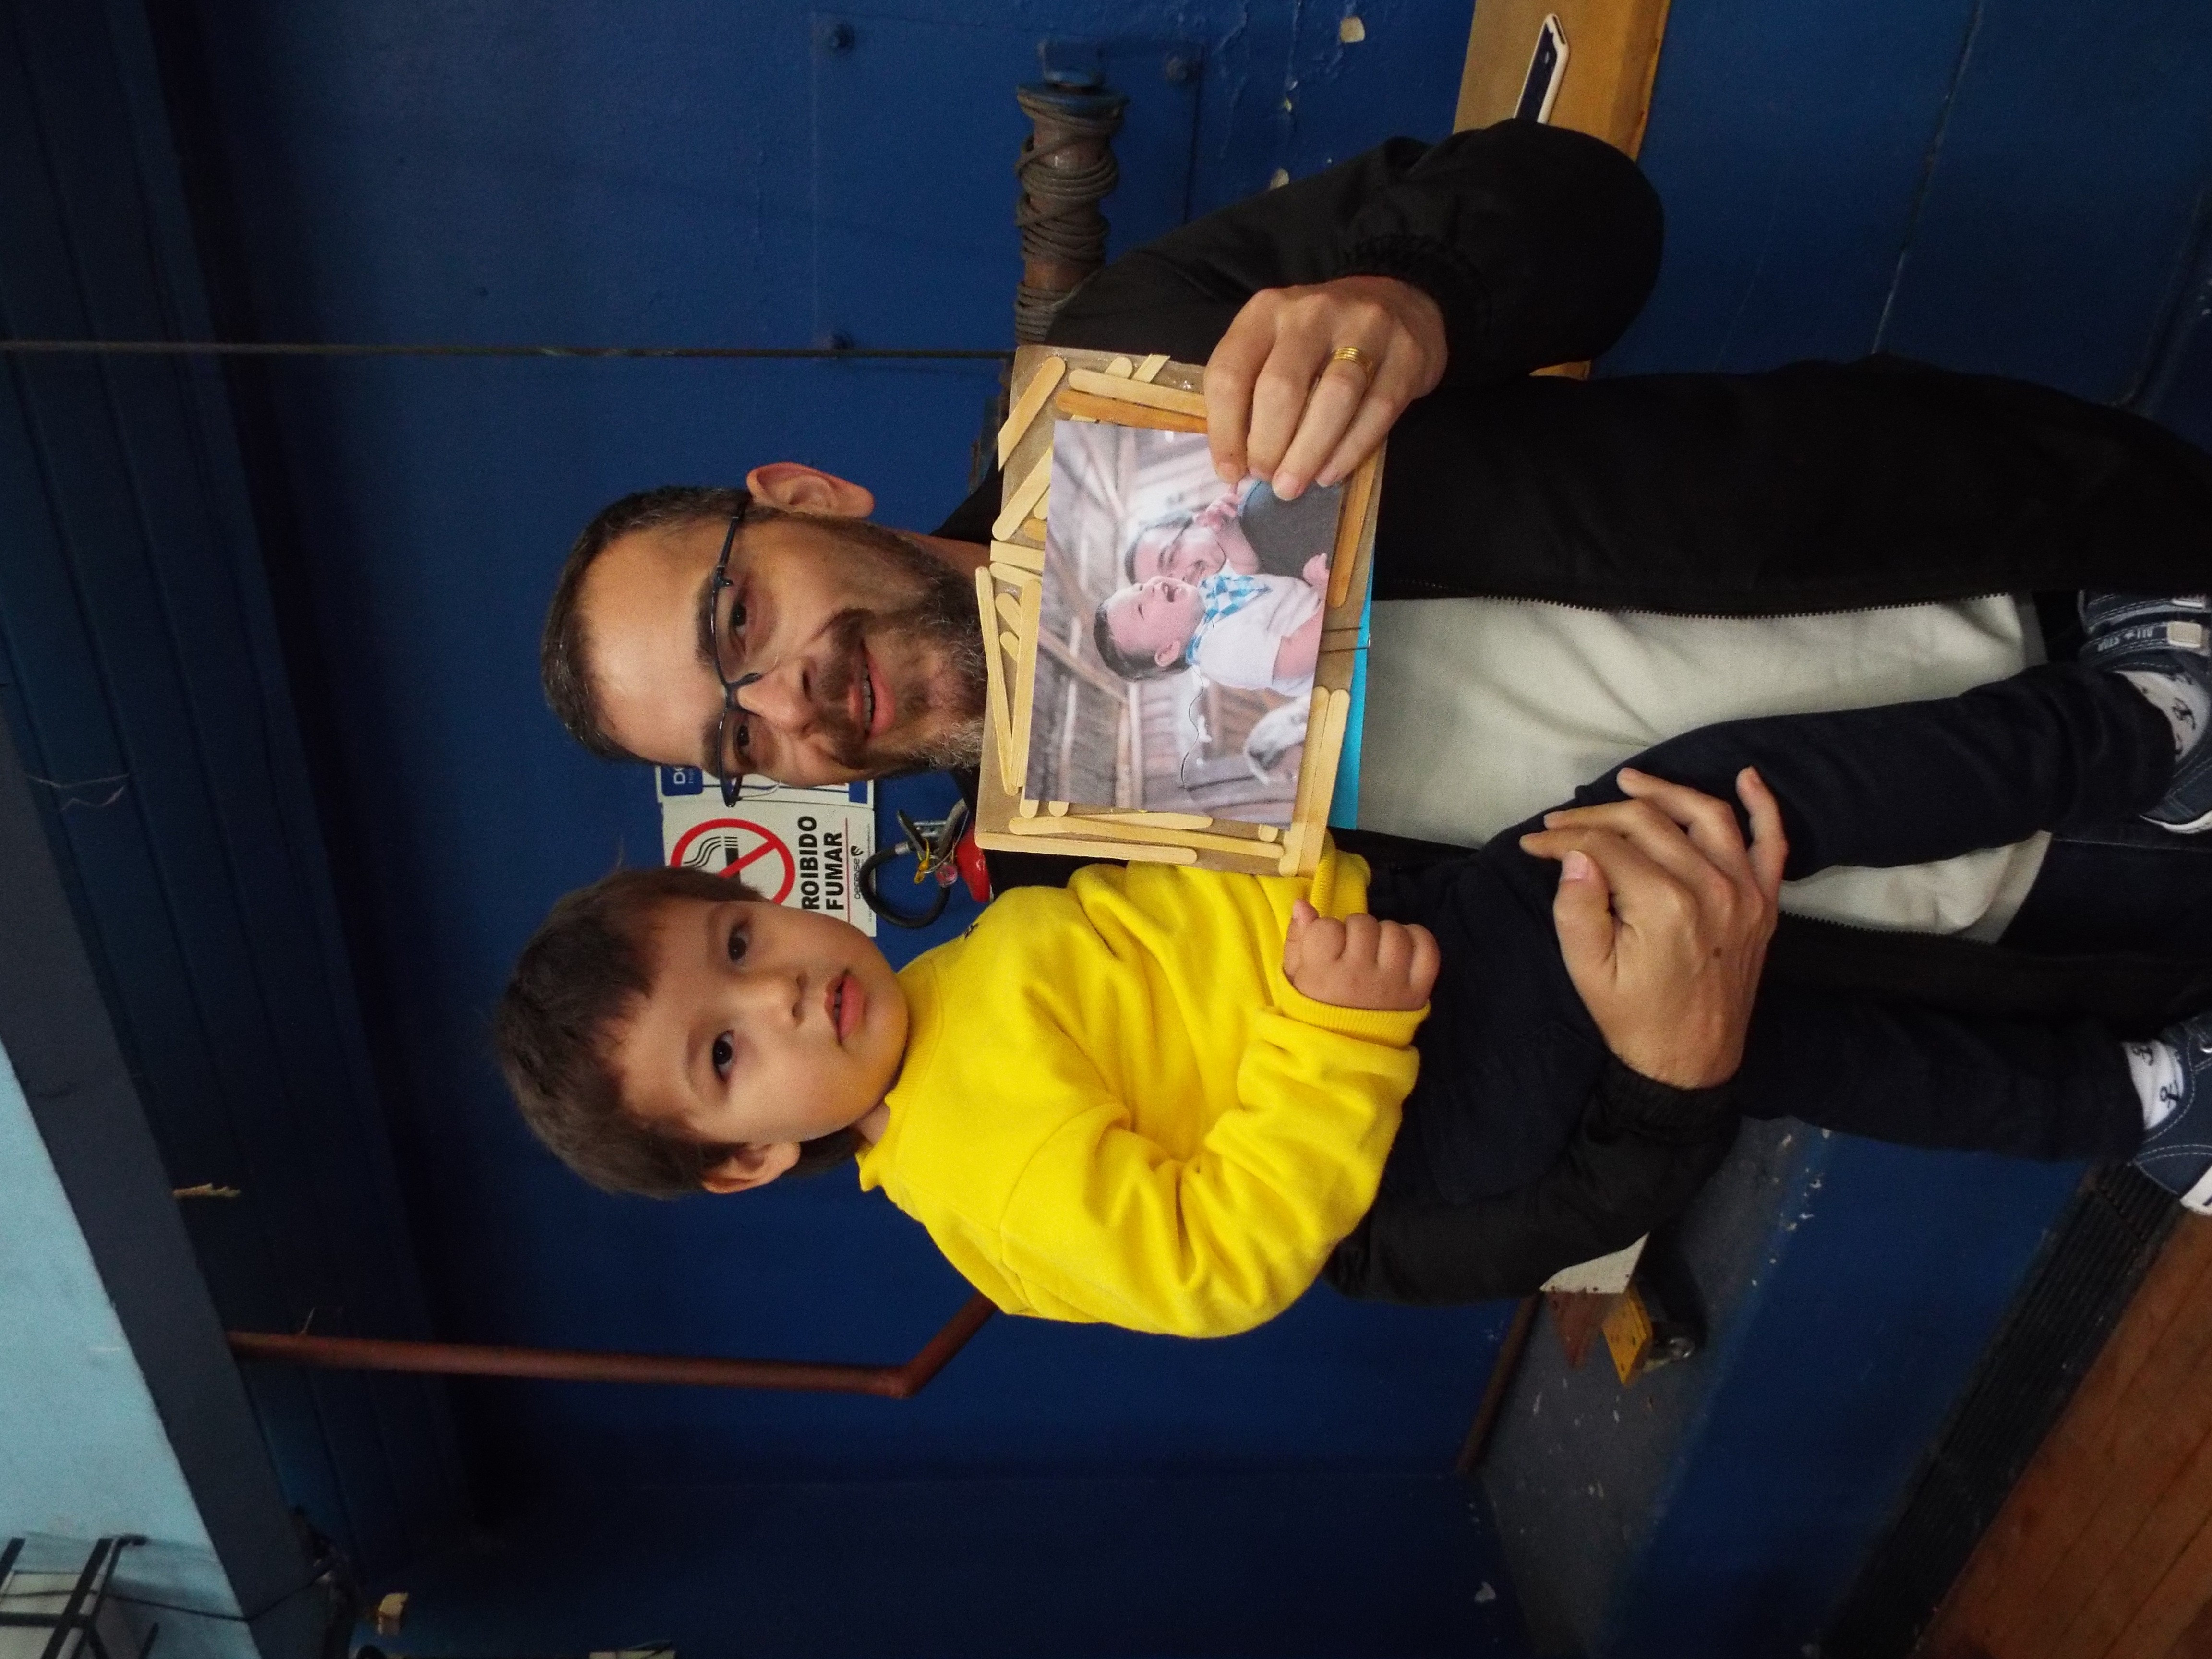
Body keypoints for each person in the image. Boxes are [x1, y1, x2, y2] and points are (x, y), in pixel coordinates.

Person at [540, 117, 2212, 1101]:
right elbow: (1404, 1147)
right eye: (738, 739)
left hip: (2030, 561)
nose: (788, 700)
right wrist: (1659, 1072)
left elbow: (1586, 207)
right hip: (1989, 927)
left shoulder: (1127, 359)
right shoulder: (1071, 910)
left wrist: (1415, 297)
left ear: (808, 497)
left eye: (735, 623)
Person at [493, 599, 2212, 1333]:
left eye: (738, 942)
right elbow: (1219, 1266)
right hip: (1420, 1089)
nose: (779, 994)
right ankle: (2135, 731)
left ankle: (2135, 1100)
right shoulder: (972, 1170)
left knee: (1762, 1023)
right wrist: (1332, 1032)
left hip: (1413, 988)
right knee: (1682, 821)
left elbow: (1193, 950)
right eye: (727, 1055)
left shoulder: (962, 976)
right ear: (749, 1161)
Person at [1093, 570, 1323, 694]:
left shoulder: (1210, 596)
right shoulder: (1219, 652)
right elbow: (1296, 658)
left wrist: (1229, 531)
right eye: (1141, 609)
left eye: (1140, 587)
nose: (1150, 588)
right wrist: (1329, 594)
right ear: (1168, 651)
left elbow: (1248, 569)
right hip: (1332, 653)